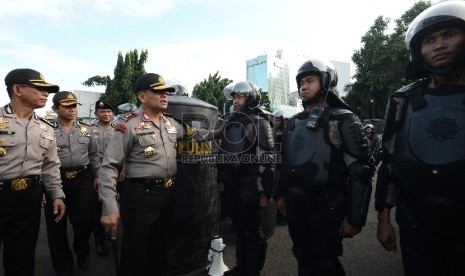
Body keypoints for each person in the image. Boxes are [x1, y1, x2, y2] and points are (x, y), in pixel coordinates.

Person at [375, 2, 465, 275]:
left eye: (449, 34)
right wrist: (383, 217)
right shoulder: (403, 99)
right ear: (418, 49)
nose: (439, 45)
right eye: (429, 40)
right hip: (417, 223)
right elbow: (389, 162)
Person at [98, 73, 217, 276]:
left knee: (159, 251)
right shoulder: (127, 124)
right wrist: (109, 206)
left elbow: (198, 135)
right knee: (135, 255)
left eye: (166, 93)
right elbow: (109, 166)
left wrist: (223, 129)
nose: (165, 96)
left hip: (168, 195)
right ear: (142, 97)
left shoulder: (171, 123)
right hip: (140, 198)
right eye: (159, 92)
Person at [275, 59, 373, 276]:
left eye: (310, 80)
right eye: (301, 82)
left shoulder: (344, 119)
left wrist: (355, 216)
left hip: (327, 208)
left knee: (325, 263)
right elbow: (285, 162)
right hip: (296, 206)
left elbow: (360, 169)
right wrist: (280, 195)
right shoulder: (293, 122)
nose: (304, 87)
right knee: (302, 256)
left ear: (326, 82)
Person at [0, 68, 66, 276]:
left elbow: (50, 166)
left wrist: (56, 194)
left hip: (28, 199)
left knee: (22, 256)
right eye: (39, 89)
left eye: (47, 90)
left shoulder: (45, 128)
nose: (46, 94)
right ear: (17, 89)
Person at [218, 81, 275, 276]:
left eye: (239, 97)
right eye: (234, 97)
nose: (235, 100)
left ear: (250, 98)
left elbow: (267, 160)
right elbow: (224, 151)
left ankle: (252, 272)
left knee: (254, 233)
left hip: (251, 186)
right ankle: (241, 267)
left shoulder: (260, 121)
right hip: (234, 185)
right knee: (240, 229)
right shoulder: (232, 120)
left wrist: (265, 192)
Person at [44, 91, 100, 275]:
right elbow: (39, 159)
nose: (72, 109)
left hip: (82, 179)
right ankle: (62, 265)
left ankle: (82, 252)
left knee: (86, 221)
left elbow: (93, 156)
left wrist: (97, 176)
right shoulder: (46, 130)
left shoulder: (87, 129)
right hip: (55, 179)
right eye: (67, 106)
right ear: (55, 108)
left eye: (74, 106)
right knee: (56, 227)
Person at [90, 99, 115, 256]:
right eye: (102, 112)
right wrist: (96, 175)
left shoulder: (119, 130)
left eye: (108, 111)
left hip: (116, 175)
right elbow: (90, 155)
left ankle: (110, 232)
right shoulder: (89, 130)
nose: (106, 114)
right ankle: (99, 241)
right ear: (96, 114)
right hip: (97, 175)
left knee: (113, 206)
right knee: (97, 209)